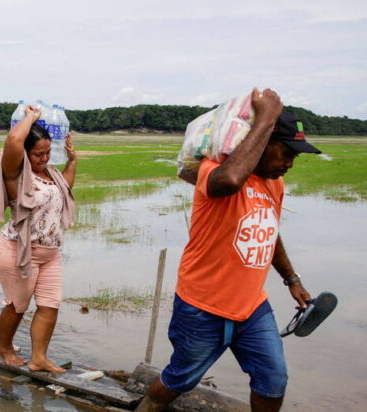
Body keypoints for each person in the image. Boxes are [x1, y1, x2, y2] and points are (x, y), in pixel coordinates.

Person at [136, 89, 321, 412]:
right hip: (203, 307)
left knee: (273, 380)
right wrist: (265, 118)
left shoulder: (274, 184)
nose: (289, 164)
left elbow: (269, 231)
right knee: (180, 379)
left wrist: (292, 279)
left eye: (296, 157)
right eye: (286, 153)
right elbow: (232, 179)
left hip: (252, 307)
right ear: (261, 141)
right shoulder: (214, 170)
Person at [0, 106, 77, 371]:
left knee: (50, 305)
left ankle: (39, 358)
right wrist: (31, 117)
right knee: (17, 306)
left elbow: (65, 189)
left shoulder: (50, 173)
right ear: (25, 154)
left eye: (48, 152)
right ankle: (5, 348)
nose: (44, 158)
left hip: (50, 253)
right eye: (38, 153)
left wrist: (72, 161)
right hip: (18, 250)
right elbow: (13, 140)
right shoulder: (16, 172)